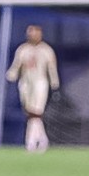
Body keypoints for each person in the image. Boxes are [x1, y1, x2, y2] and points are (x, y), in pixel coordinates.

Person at [5, 24, 60, 153]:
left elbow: (52, 69)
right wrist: (10, 76)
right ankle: (42, 140)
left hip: (40, 83)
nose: (31, 35)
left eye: (34, 32)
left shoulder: (46, 50)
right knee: (30, 114)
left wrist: (55, 85)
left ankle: (30, 142)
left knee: (36, 112)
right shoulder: (23, 49)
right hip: (25, 84)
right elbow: (16, 66)